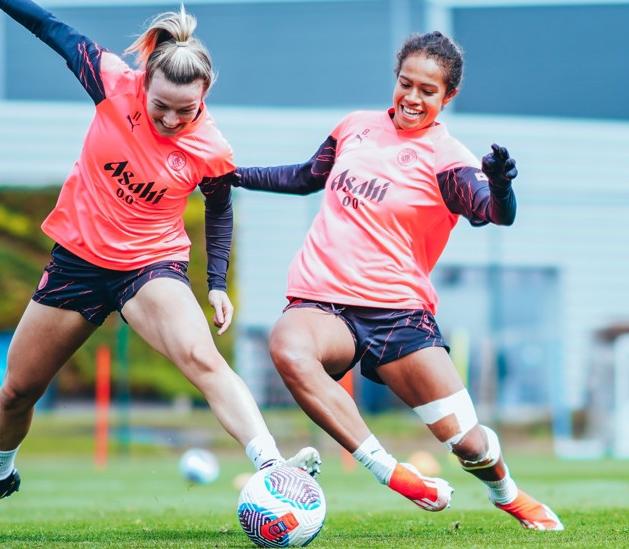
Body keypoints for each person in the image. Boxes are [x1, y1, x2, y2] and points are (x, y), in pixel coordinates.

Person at [0, 0, 320, 538]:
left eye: (185, 111)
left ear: (203, 99)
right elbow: (48, 26)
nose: (171, 120)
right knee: (17, 390)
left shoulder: (210, 148)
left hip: (150, 263)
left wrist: (216, 283)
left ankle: (271, 466)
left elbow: (219, 208)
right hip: (78, 261)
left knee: (200, 356)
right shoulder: (109, 80)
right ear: (144, 81)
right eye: (162, 106)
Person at [233, 31, 563, 530]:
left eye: (428, 91)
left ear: (447, 97)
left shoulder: (447, 158)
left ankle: (508, 493)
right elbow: (305, 176)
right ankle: (391, 472)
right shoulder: (355, 128)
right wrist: (232, 174)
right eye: (406, 84)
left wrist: (500, 184)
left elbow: (496, 213)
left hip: (398, 317)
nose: (412, 98)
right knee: (288, 347)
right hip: (323, 304)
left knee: (469, 444)